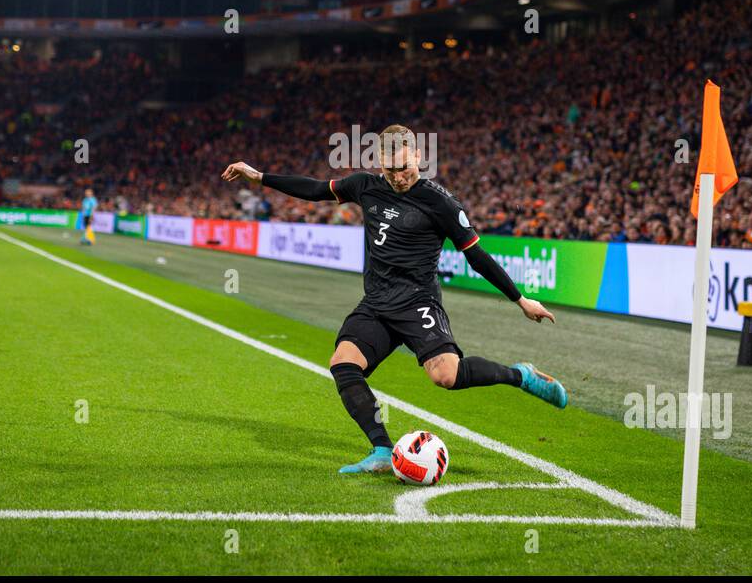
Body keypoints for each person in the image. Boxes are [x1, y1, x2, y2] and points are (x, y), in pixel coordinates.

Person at [221, 124, 564, 475]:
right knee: (343, 364)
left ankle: (520, 376)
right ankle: (382, 450)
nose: (399, 176)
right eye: (390, 169)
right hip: (376, 303)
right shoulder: (365, 186)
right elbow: (314, 189)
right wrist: (259, 176)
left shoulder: (440, 203)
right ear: (379, 163)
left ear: (417, 156)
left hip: (418, 302)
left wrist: (520, 299)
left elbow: (476, 257)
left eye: (404, 167)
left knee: (446, 376)